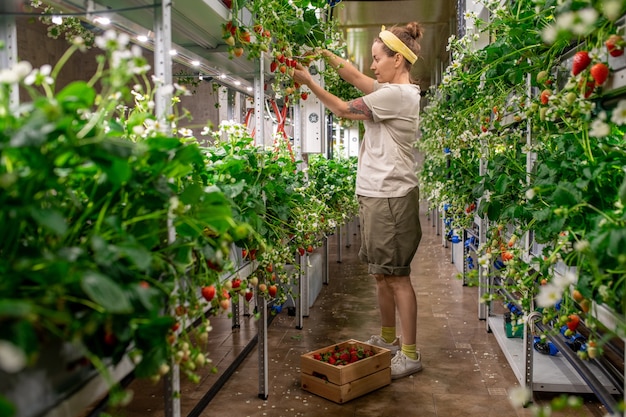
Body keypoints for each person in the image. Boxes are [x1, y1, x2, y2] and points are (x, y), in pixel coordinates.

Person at [291, 22, 424, 379]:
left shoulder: (398, 95)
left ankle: (409, 354)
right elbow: (353, 77)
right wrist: (322, 54)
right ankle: (388, 339)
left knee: (396, 277)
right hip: (377, 194)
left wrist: (309, 82)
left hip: (391, 197)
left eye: (378, 59)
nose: (372, 66)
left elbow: (343, 109)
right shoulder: (389, 89)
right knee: (382, 275)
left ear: (398, 60)